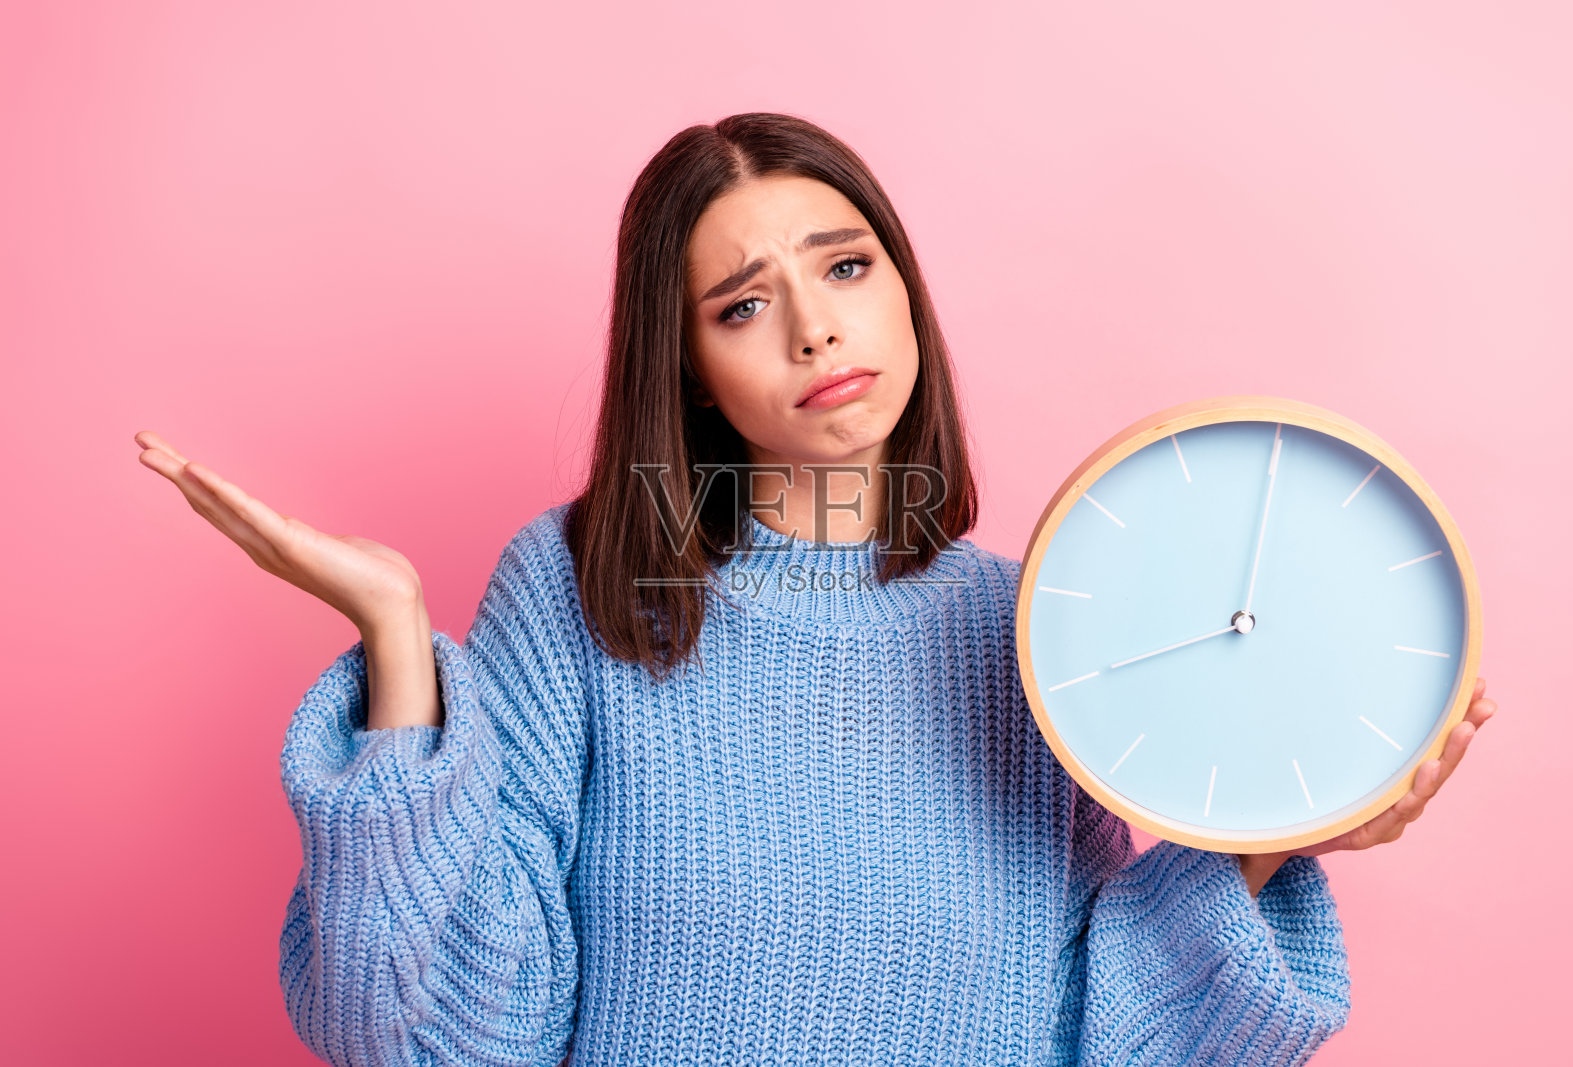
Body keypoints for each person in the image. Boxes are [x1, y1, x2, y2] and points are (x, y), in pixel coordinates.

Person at [135, 112, 1497, 1067]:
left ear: (905, 291)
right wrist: (398, 653)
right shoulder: (582, 596)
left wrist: (1273, 829)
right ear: (687, 369)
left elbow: (1105, 1024)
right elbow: (433, 1032)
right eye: (742, 304)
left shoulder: (1043, 627)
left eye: (846, 266)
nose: (816, 326)